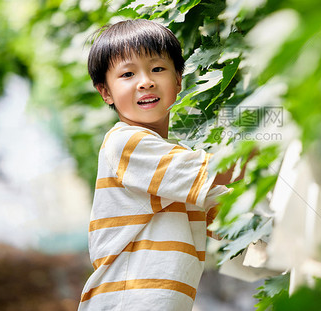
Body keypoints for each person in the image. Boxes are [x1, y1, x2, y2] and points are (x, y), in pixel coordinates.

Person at [78, 19, 241, 310]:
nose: (146, 81)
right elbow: (218, 171)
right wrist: (274, 150)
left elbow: (232, 219)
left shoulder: (173, 169)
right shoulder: (124, 144)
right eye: (128, 74)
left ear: (178, 80)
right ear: (106, 92)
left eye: (157, 69)